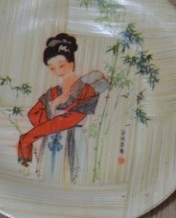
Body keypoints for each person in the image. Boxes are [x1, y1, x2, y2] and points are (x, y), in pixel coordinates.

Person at [17, 33, 108, 184]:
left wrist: (39, 130)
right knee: (48, 175)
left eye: (61, 65)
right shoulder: (53, 92)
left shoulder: (88, 90)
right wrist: (51, 112)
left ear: (71, 63)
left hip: (74, 138)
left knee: (72, 176)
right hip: (50, 138)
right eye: (52, 68)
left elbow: (72, 118)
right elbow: (33, 114)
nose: (58, 71)